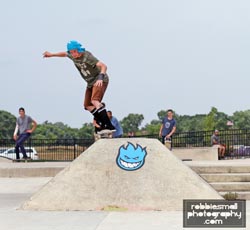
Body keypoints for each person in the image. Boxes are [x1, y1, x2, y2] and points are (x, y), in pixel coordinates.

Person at [43, 40, 115, 133]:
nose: (74, 54)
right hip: (90, 83)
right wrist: (51, 55)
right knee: (87, 105)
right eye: (72, 52)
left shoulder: (87, 56)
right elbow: (64, 54)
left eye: (75, 51)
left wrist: (100, 78)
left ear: (79, 50)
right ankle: (102, 124)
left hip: (99, 80)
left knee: (94, 101)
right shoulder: (71, 56)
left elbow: (104, 66)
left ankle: (109, 126)